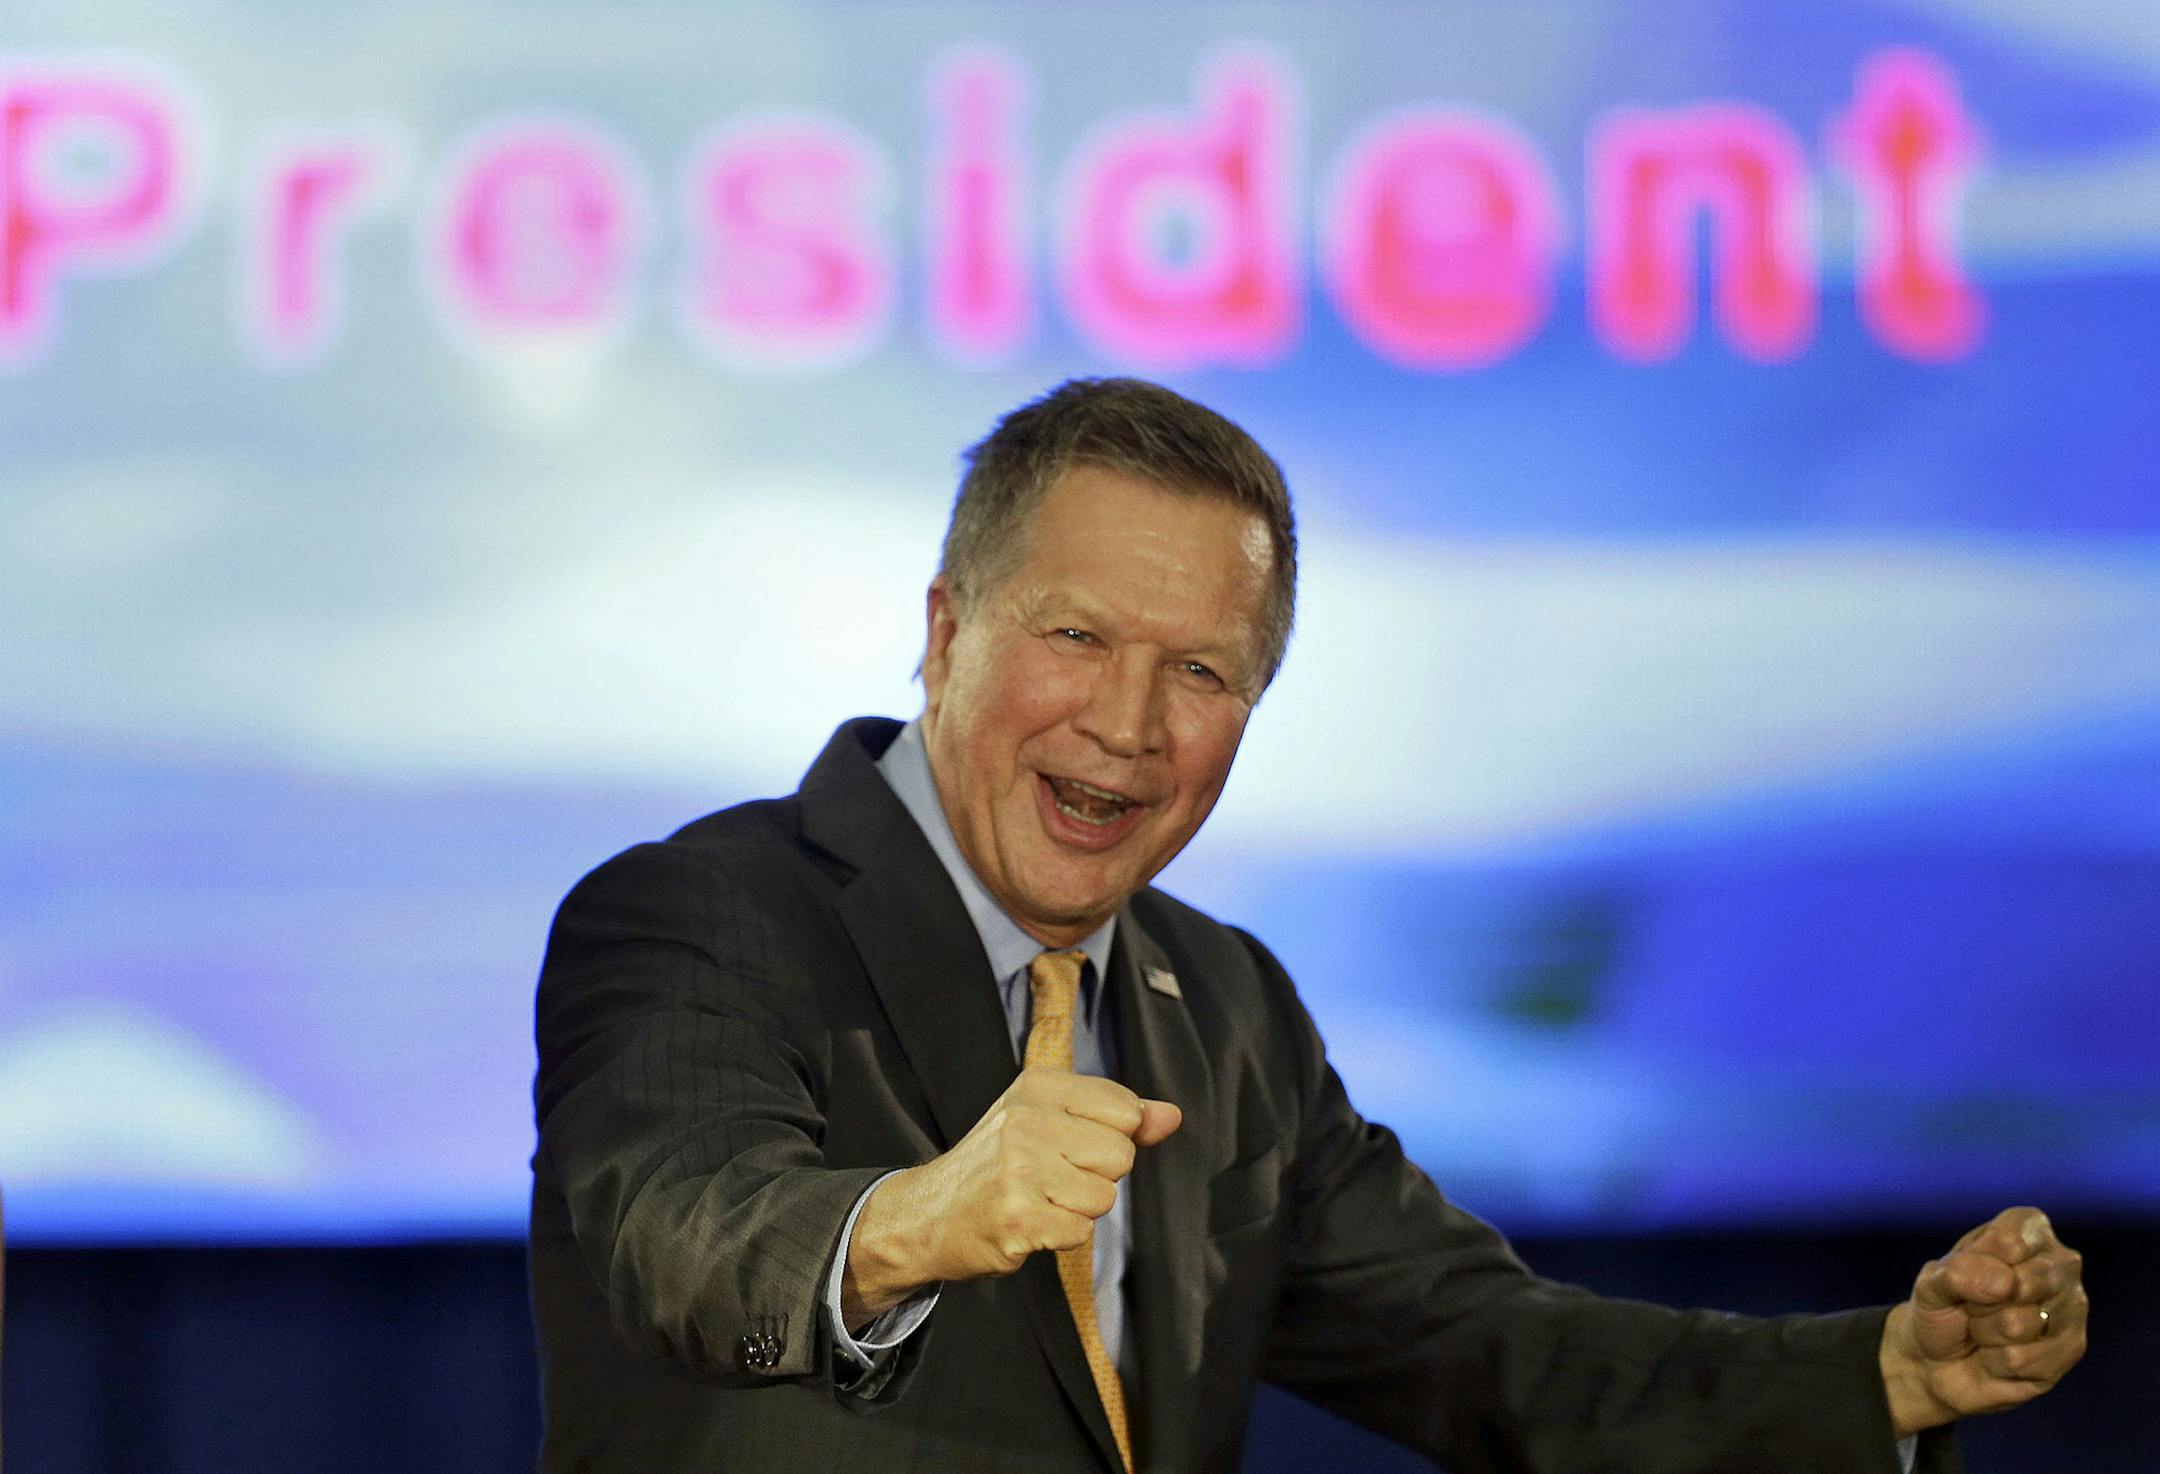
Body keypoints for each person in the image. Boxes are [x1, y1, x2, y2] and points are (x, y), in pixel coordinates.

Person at [528, 378, 2087, 1473]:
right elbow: (686, 1238)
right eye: (1077, 637)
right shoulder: (699, 912)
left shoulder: (1225, 1007)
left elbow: (1491, 1353)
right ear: (948, 632)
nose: (1130, 724)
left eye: (1202, 673)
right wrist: (930, 1214)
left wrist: (1877, 1374)